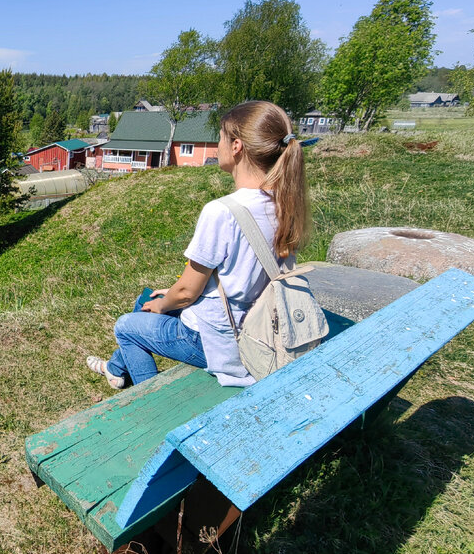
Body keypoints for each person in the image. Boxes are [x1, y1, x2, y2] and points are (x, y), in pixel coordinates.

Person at [86, 100, 311, 389]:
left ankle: (146, 408)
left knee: (126, 326)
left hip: (214, 337)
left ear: (237, 146)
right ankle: (116, 369)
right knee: (145, 300)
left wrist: (167, 302)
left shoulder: (223, 211)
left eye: (220, 136)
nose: (217, 144)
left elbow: (185, 293)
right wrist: (165, 298)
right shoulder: (283, 202)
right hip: (255, 321)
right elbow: (238, 275)